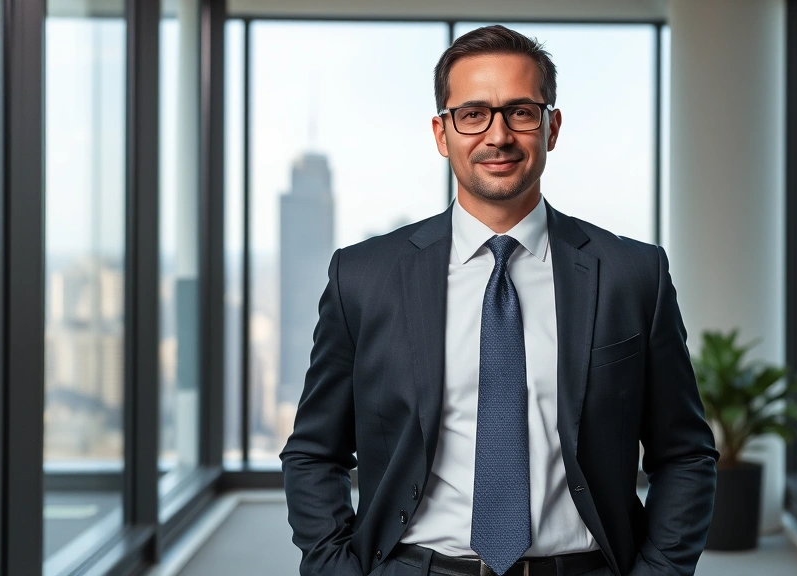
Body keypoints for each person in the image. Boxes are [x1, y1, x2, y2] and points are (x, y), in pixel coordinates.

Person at [281, 24, 719, 576]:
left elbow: (684, 454)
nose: (498, 135)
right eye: (472, 114)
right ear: (442, 134)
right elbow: (314, 452)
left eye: (520, 112)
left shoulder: (633, 275)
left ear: (551, 127)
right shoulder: (363, 277)